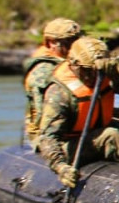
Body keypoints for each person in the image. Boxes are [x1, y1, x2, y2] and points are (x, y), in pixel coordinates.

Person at [36, 36, 119, 189]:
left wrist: (115, 76)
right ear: (74, 64)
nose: (93, 76)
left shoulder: (105, 74)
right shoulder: (59, 92)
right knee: (111, 136)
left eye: (96, 71)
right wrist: (61, 168)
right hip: (70, 145)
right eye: (87, 71)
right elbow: (48, 137)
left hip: (95, 131)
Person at [23, 18, 84, 146]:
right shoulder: (43, 73)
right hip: (51, 135)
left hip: (77, 126)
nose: (74, 47)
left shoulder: (77, 64)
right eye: (68, 42)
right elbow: (44, 116)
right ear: (51, 43)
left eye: (77, 41)